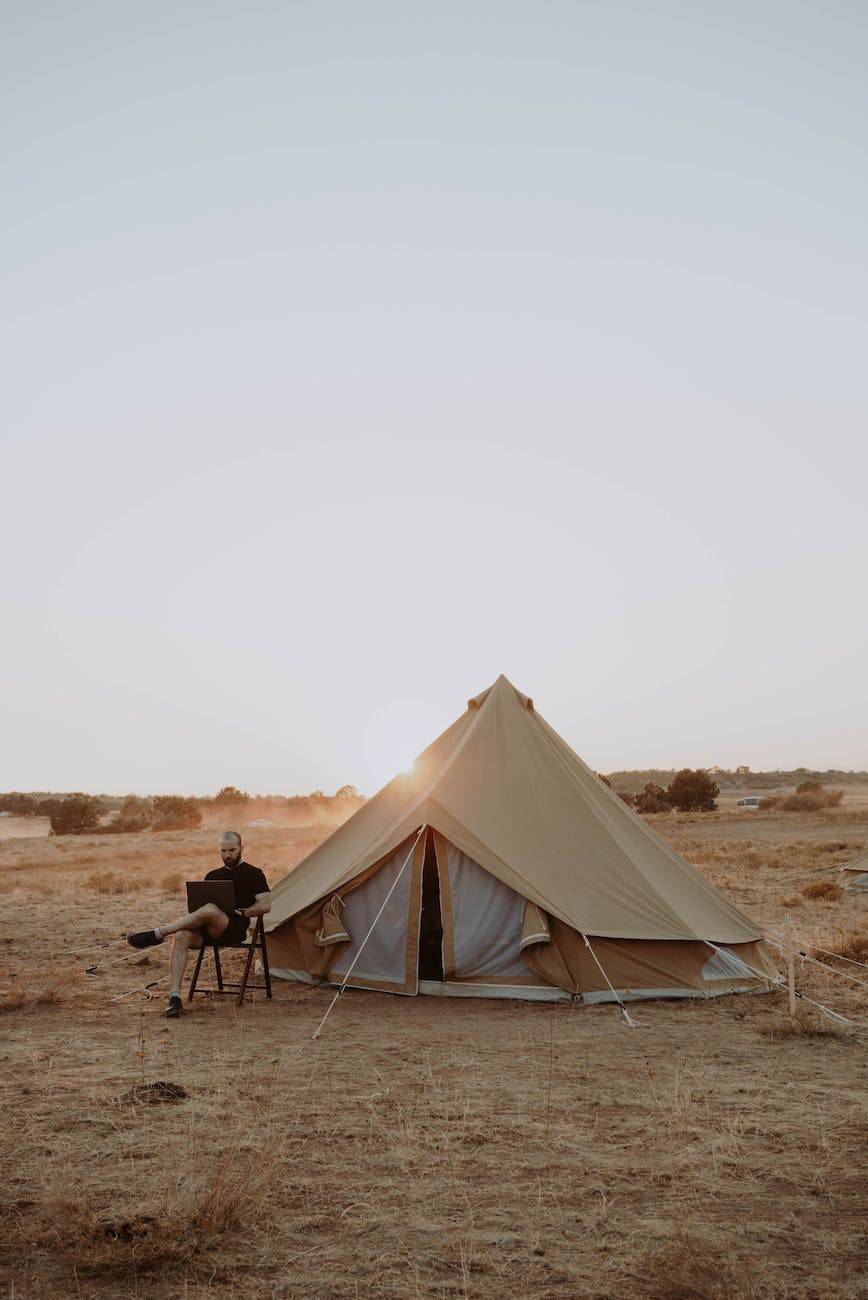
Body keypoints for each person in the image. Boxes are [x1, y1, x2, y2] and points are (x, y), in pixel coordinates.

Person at [126, 831, 270, 1019]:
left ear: (241, 848)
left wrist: (246, 911)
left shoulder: (254, 873)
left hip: (233, 929)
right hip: (208, 929)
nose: (228, 855)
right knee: (181, 936)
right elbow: (198, 908)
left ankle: (158, 933)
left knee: (210, 909)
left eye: (232, 850)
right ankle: (175, 998)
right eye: (223, 851)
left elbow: (266, 905)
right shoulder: (212, 875)